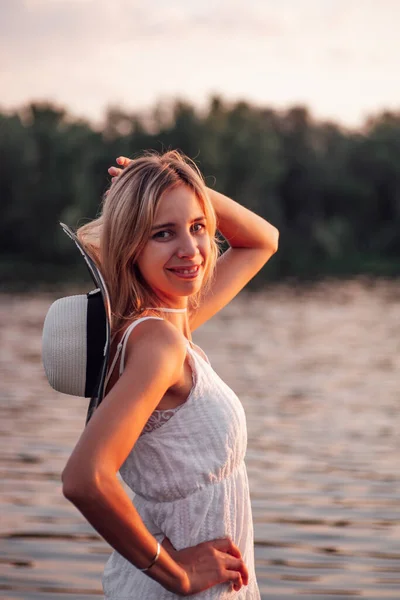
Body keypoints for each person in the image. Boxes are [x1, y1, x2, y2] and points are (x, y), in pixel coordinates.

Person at [62, 150, 279, 598]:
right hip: (183, 586)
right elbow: (86, 478)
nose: (190, 249)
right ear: (130, 245)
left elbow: (264, 240)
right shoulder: (157, 345)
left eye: (198, 227)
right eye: (163, 233)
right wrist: (177, 574)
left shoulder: (171, 325)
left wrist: (175, 183)